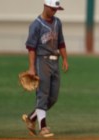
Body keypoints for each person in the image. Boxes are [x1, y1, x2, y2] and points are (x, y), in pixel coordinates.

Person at [22, 0, 68, 137]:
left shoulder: (57, 22)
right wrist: (31, 68)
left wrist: (65, 58)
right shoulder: (36, 25)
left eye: (56, 9)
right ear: (46, 6)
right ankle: (43, 127)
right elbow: (31, 48)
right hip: (41, 61)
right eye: (53, 8)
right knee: (42, 95)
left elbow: (61, 42)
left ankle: (31, 118)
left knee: (53, 97)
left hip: (55, 61)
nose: (54, 11)